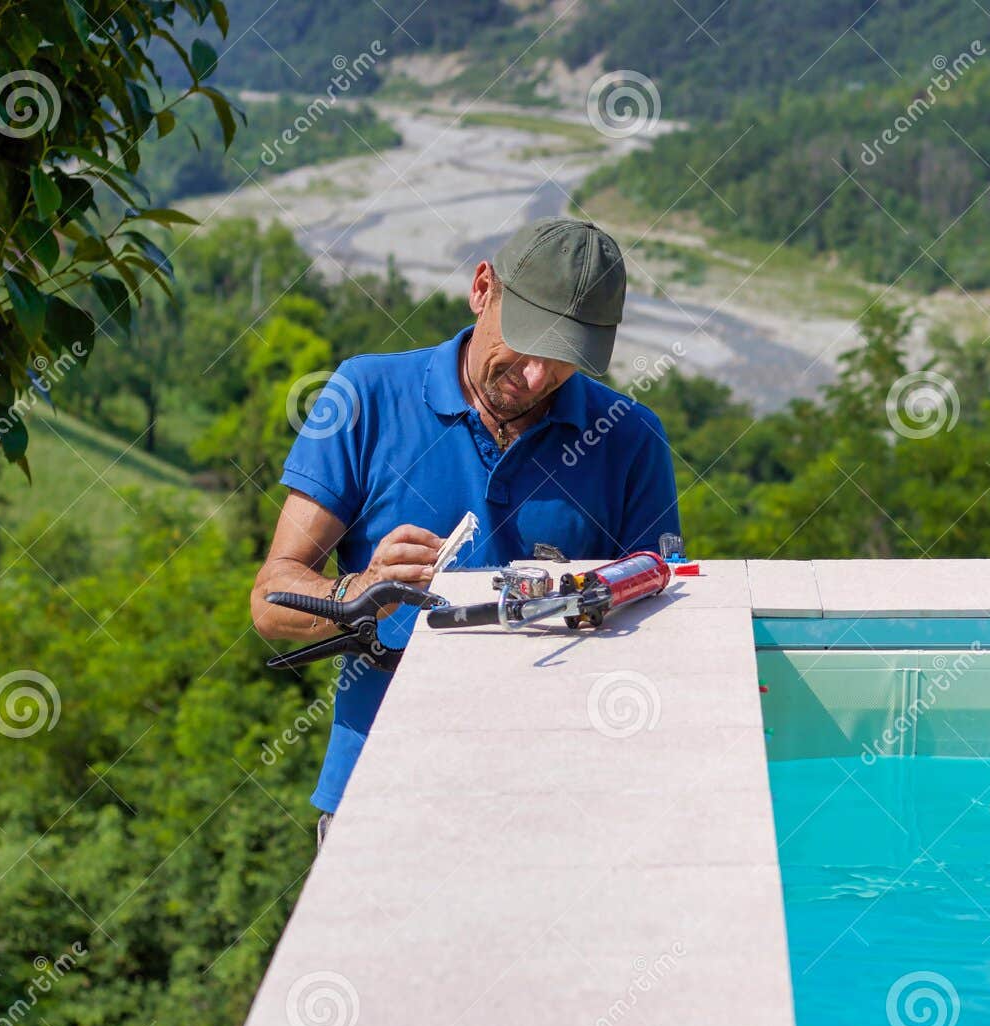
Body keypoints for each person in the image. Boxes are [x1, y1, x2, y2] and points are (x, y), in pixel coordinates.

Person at [249, 218, 680, 846]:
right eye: (526, 345)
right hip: (381, 792)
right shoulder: (365, 396)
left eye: (562, 362)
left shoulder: (631, 439)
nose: (535, 378)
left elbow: (664, 620)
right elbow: (269, 601)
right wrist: (361, 591)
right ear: (482, 288)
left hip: (562, 798)